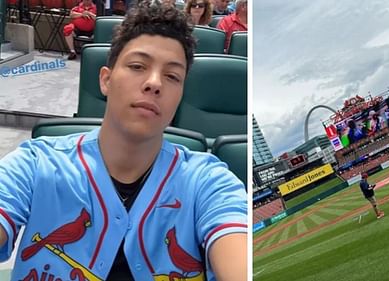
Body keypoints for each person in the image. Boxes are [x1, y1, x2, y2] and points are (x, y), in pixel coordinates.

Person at [0, 2, 247, 281]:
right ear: (105, 80)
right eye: (138, 66)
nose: (154, 83)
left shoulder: (209, 181)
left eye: (172, 76)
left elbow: (234, 243)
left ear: (180, 96)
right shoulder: (35, 164)